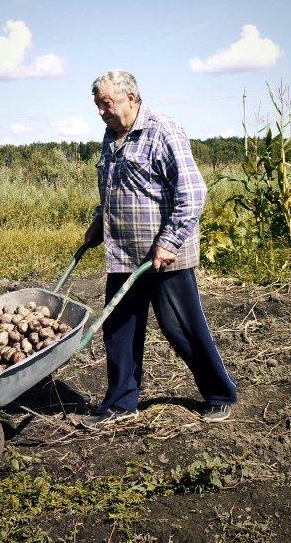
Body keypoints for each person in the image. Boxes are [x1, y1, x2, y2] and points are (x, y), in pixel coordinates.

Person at [78, 70, 238, 430]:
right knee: (118, 329)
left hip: (165, 258)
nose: (102, 111)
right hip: (123, 254)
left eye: (107, 103)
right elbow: (113, 190)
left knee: (181, 327)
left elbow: (193, 193)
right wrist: (98, 223)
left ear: (131, 98)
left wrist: (168, 242)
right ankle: (120, 403)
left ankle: (219, 394)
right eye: (97, 105)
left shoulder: (163, 130)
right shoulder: (111, 136)